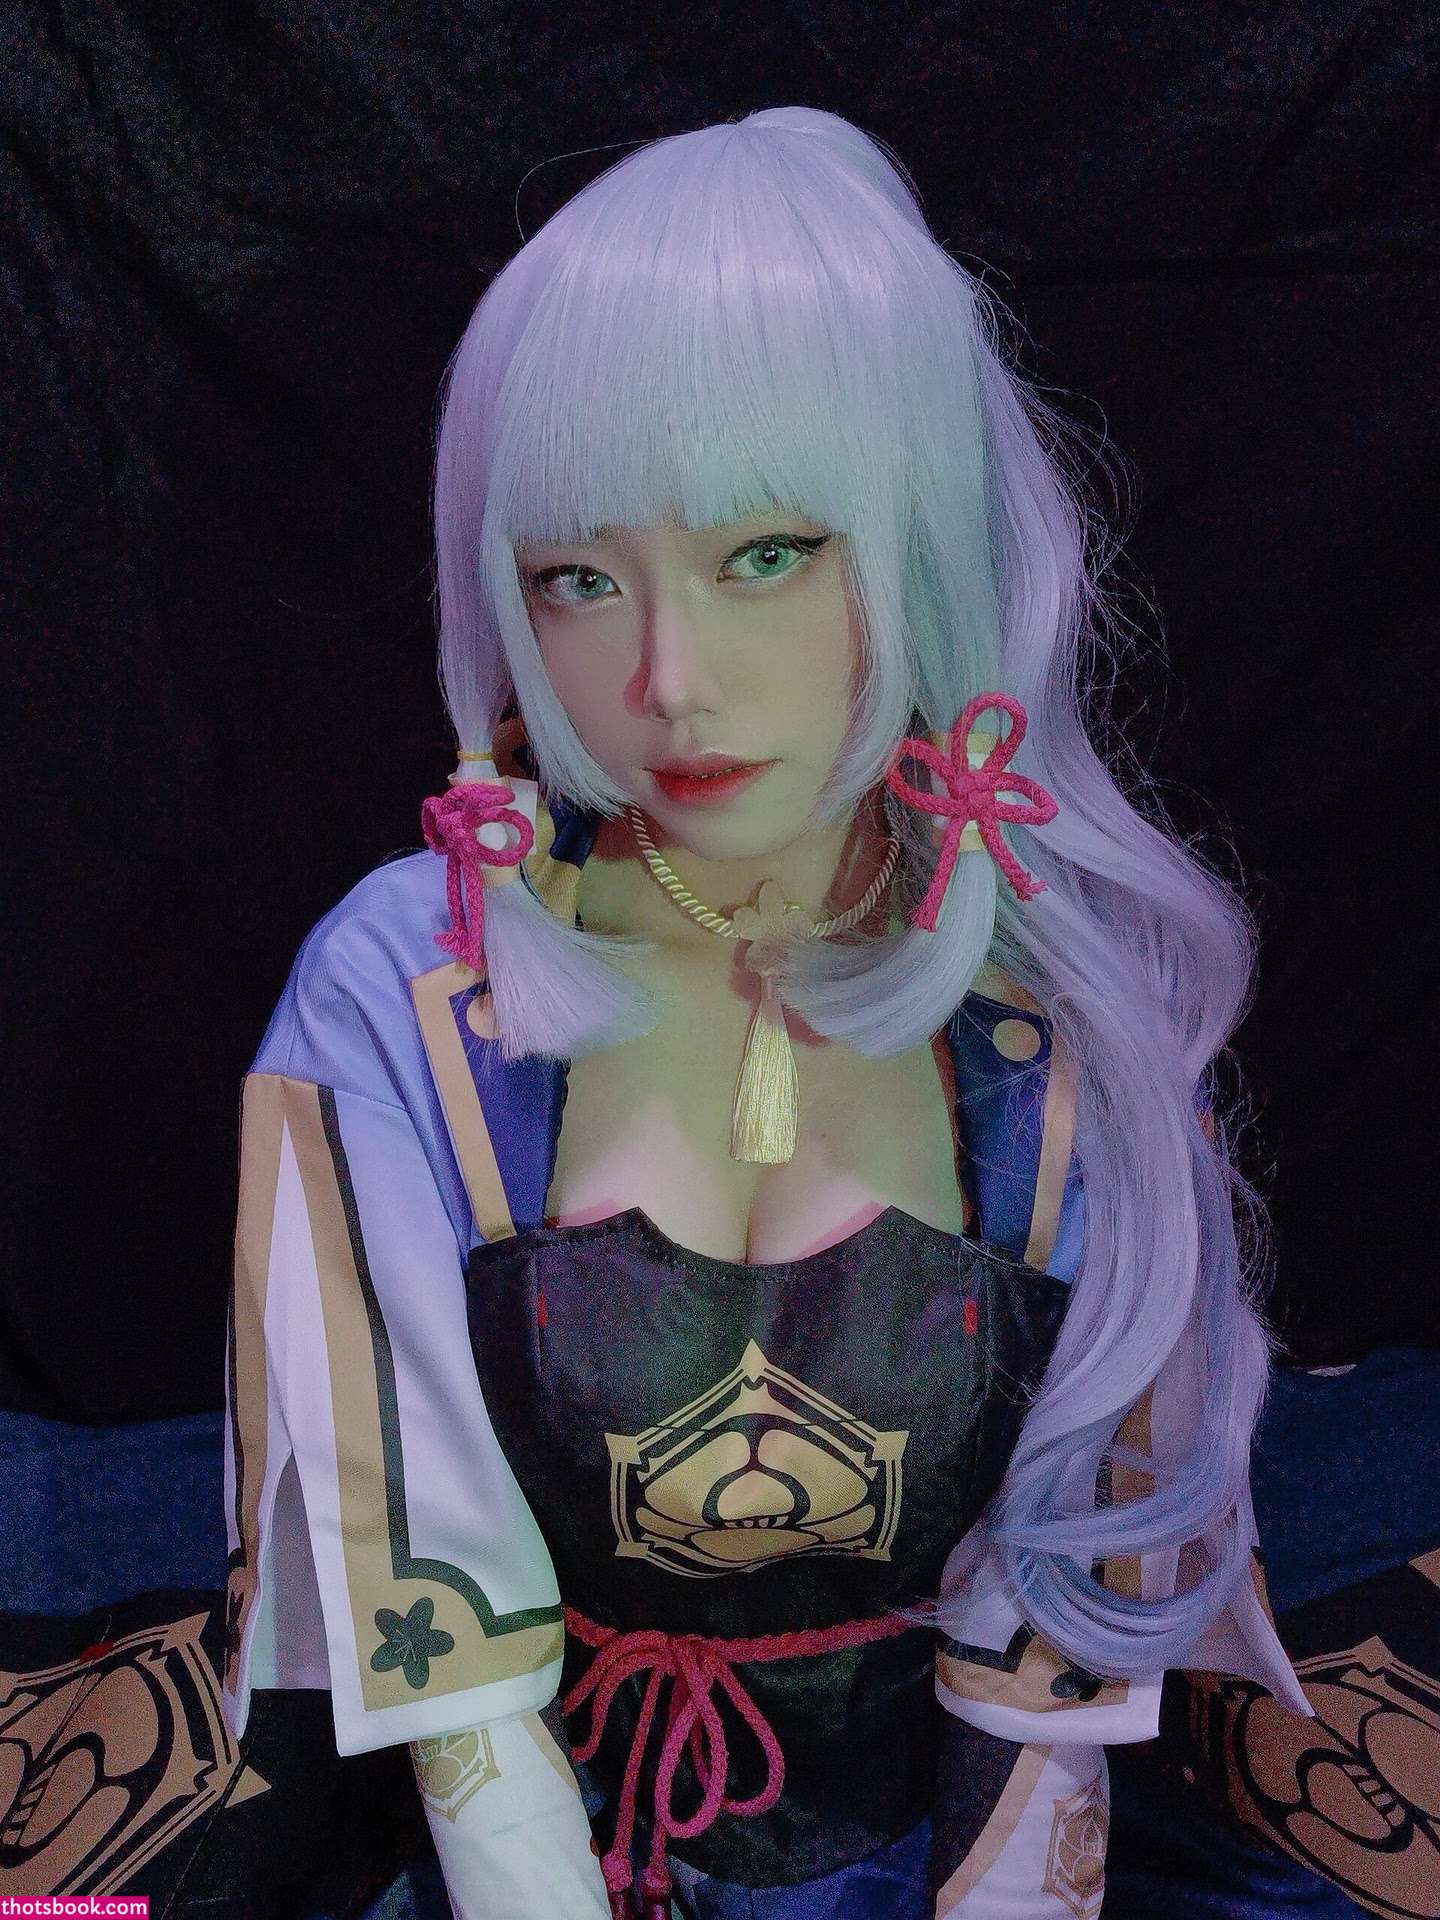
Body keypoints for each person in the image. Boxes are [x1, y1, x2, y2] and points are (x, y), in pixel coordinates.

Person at [218, 106, 1312, 1918]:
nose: (669, 680)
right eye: (580, 578)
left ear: (922, 534)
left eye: (769, 554)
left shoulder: (1057, 999)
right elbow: (413, 1565)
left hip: (938, 1827)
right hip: (504, 1824)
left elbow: (1062, 1587)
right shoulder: (409, 986)